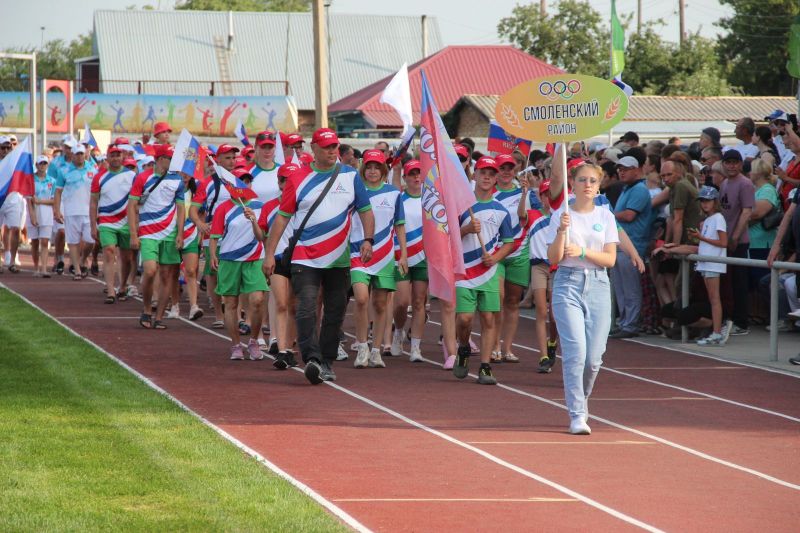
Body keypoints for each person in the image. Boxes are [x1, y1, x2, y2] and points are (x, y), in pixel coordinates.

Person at [263, 128, 375, 385]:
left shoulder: (350, 176)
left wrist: (368, 240)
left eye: (334, 146)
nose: (332, 151)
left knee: (335, 312)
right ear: (313, 148)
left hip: (339, 258)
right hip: (305, 256)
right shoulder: (297, 178)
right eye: (326, 147)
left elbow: (366, 210)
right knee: (306, 306)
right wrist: (269, 254)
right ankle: (311, 358)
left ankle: (326, 361)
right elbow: (282, 218)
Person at [546, 162, 619, 435]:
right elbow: (553, 258)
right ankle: (577, 414)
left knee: (593, 359)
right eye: (582, 180)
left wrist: (583, 251)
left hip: (598, 284)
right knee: (575, 352)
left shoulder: (605, 216)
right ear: (572, 184)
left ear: (598, 186)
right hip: (567, 283)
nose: (587, 185)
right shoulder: (561, 214)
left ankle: (582, 399)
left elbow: (610, 259)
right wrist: (560, 231)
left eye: (592, 181)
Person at [452, 156, 515, 386]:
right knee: (465, 318)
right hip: (464, 271)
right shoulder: (462, 207)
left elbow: (509, 242)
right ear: (474, 175)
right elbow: (448, 237)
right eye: (483, 173)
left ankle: (485, 366)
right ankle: (463, 346)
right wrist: (466, 229)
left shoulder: (501, 210)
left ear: (496, 178)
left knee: (489, 318)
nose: (487, 177)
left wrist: (496, 258)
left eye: (491, 174)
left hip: (488, 272)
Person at [350, 149, 407, 369]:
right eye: (369, 167)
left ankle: (375, 350)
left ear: (384, 169)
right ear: (363, 168)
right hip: (358, 252)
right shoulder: (356, 192)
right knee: (361, 298)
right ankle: (362, 346)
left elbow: (399, 225)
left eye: (377, 167)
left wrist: (403, 254)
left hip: (384, 256)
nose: (373, 171)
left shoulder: (393, 193)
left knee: (381, 304)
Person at [209, 169, 269, 360]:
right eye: (240, 181)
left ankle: (253, 341)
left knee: (257, 300)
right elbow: (215, 236)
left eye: (247, 181)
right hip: (229, 260)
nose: (245, 185)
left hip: (254, 259)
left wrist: (253, 221)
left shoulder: (259, 206)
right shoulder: (223, 208)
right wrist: (213, 255)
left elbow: (261, 237)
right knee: (231, 303)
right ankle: (235, 345)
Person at [128, 144, 185, 330]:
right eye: (171, 158)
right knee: (150, 270)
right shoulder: (142, 177)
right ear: (160, 159)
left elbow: (181, 208)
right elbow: (131, 205)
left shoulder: (177, 179)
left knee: (167, 275)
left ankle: (159, 317)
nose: (174, 162)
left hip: (169, 233)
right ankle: (146, 308)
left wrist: (180, 233)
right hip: (148, 233)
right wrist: (133, 234)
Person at [190, 144, 238, 329]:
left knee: (235, 275)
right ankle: (219, 314)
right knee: (214, 274)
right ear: (217, 160)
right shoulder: (207, 183)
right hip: (214, 237)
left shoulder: (240, 181)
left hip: (237, 235)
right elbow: (193, 209)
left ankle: (236, 314)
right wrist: (200, 224)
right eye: (227, 158)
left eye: (233, 158)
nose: (232, 161)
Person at [492, 154, 532, 362]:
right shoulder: (489, 194)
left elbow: (525, 218)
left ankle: (507, 348)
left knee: (513, 302)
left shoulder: (524, 192)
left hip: (519, 253)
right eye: (502, 168)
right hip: (497, 253)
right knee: (497, 300)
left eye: (510, 168)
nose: (506, 172)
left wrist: (524, 194)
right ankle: (494, 345)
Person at [610, 154, 653, 338]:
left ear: (637, 170)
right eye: (620, 169)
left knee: (630, 288)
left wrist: (608, 215)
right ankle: (625, 322)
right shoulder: (628, 188)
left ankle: (630, 324)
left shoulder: (639, 190)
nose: (622, 172)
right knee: (621, 289)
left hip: (633, 246)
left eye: (626, 169)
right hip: (620, 246)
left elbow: (629, 215)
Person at [390, 160, 428, 362]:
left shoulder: (430, 201)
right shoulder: (399, 199)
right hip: (401, 256)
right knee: (402, 302)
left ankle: (416, 347)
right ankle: (398, 331)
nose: (416, 177)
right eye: (412, 174)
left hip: (423, 258)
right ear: (405, 177)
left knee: (420, 302)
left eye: (419, 173)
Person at [265, 163, 301, 370]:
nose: (288, 184)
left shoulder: (304, 204)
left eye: (292, 180)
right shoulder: (270, 206)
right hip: (278, 258)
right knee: (281, 303)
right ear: (279, 182)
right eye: (284, 180)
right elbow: (261, 233)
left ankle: (289, 347)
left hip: (299, 258)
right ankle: (281, 349)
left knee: (294, 306)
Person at [90, 145, 136, 301]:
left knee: (127, 258)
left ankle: (122, 286)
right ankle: (110, 290)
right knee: (109, 251)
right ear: (107, 158)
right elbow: (93, 202)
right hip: (106, 221)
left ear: (122, 157)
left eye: (118, 155)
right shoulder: (99, 177)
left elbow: (137, 200)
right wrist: (93, 226)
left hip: (126, 222)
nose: (115, 158)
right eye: (112, 155)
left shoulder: (132, 175)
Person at [719, 150, 755, 336]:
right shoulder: (724, 183)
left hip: (739, 241)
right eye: (728, 162)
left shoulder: (745, 184)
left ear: (740, 164)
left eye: (735, 162)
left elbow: (747, 212)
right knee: (728, 283)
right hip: (725, 240)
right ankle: (730, 318)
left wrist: (734, 237)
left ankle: (741, 322)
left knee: (739, 283)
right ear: (723, 164)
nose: (731, 165)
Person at [54, 144, 98, 280]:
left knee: (91, 240)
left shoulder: (93, 169)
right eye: (77, 154)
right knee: (73, 242)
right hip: (71, 211)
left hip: (89, 211)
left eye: (81, 154)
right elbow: (58, 192)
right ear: (72, 155)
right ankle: (77, 270)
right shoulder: (64, 171)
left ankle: (83, 259)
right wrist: (57, 210)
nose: (79, 156)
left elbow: (98, 191)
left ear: (85, 154)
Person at [528, 180, 559, 373]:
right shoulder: (533, 215)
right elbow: (521, 214)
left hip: (556, 267)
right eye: (545, 194)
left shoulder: (561, 215)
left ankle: (552, 342)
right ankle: (543, 356)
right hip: (538, 266)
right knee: (541, 311)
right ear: (540, 197)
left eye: (551, 194)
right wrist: (524, 192)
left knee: (555, 317)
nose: (549, 198)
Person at [692, 186, 729, 345]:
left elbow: (723, 242)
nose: (705, 204)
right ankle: (716, 331)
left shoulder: (718, 218)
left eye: (708, 200)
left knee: (714, 299)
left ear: (715, 201)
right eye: (702, 201)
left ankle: (717, 332)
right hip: (706, 262)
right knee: (712, 299)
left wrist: (701, 237)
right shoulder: (708, 219)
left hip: (713, 263)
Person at [27, 156, 55, 277]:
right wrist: (32, 216)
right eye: (40, 163)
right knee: (34, 242)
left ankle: (43, 268)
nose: (42, 165)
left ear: (47, 165)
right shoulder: (30, 180)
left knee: (44, 241)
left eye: (45, 163)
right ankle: (36, 267)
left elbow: (54, 200)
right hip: (33, 212)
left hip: (47, 213)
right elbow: (29, 200)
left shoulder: (52, 181)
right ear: (36, 165)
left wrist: (40, 201)